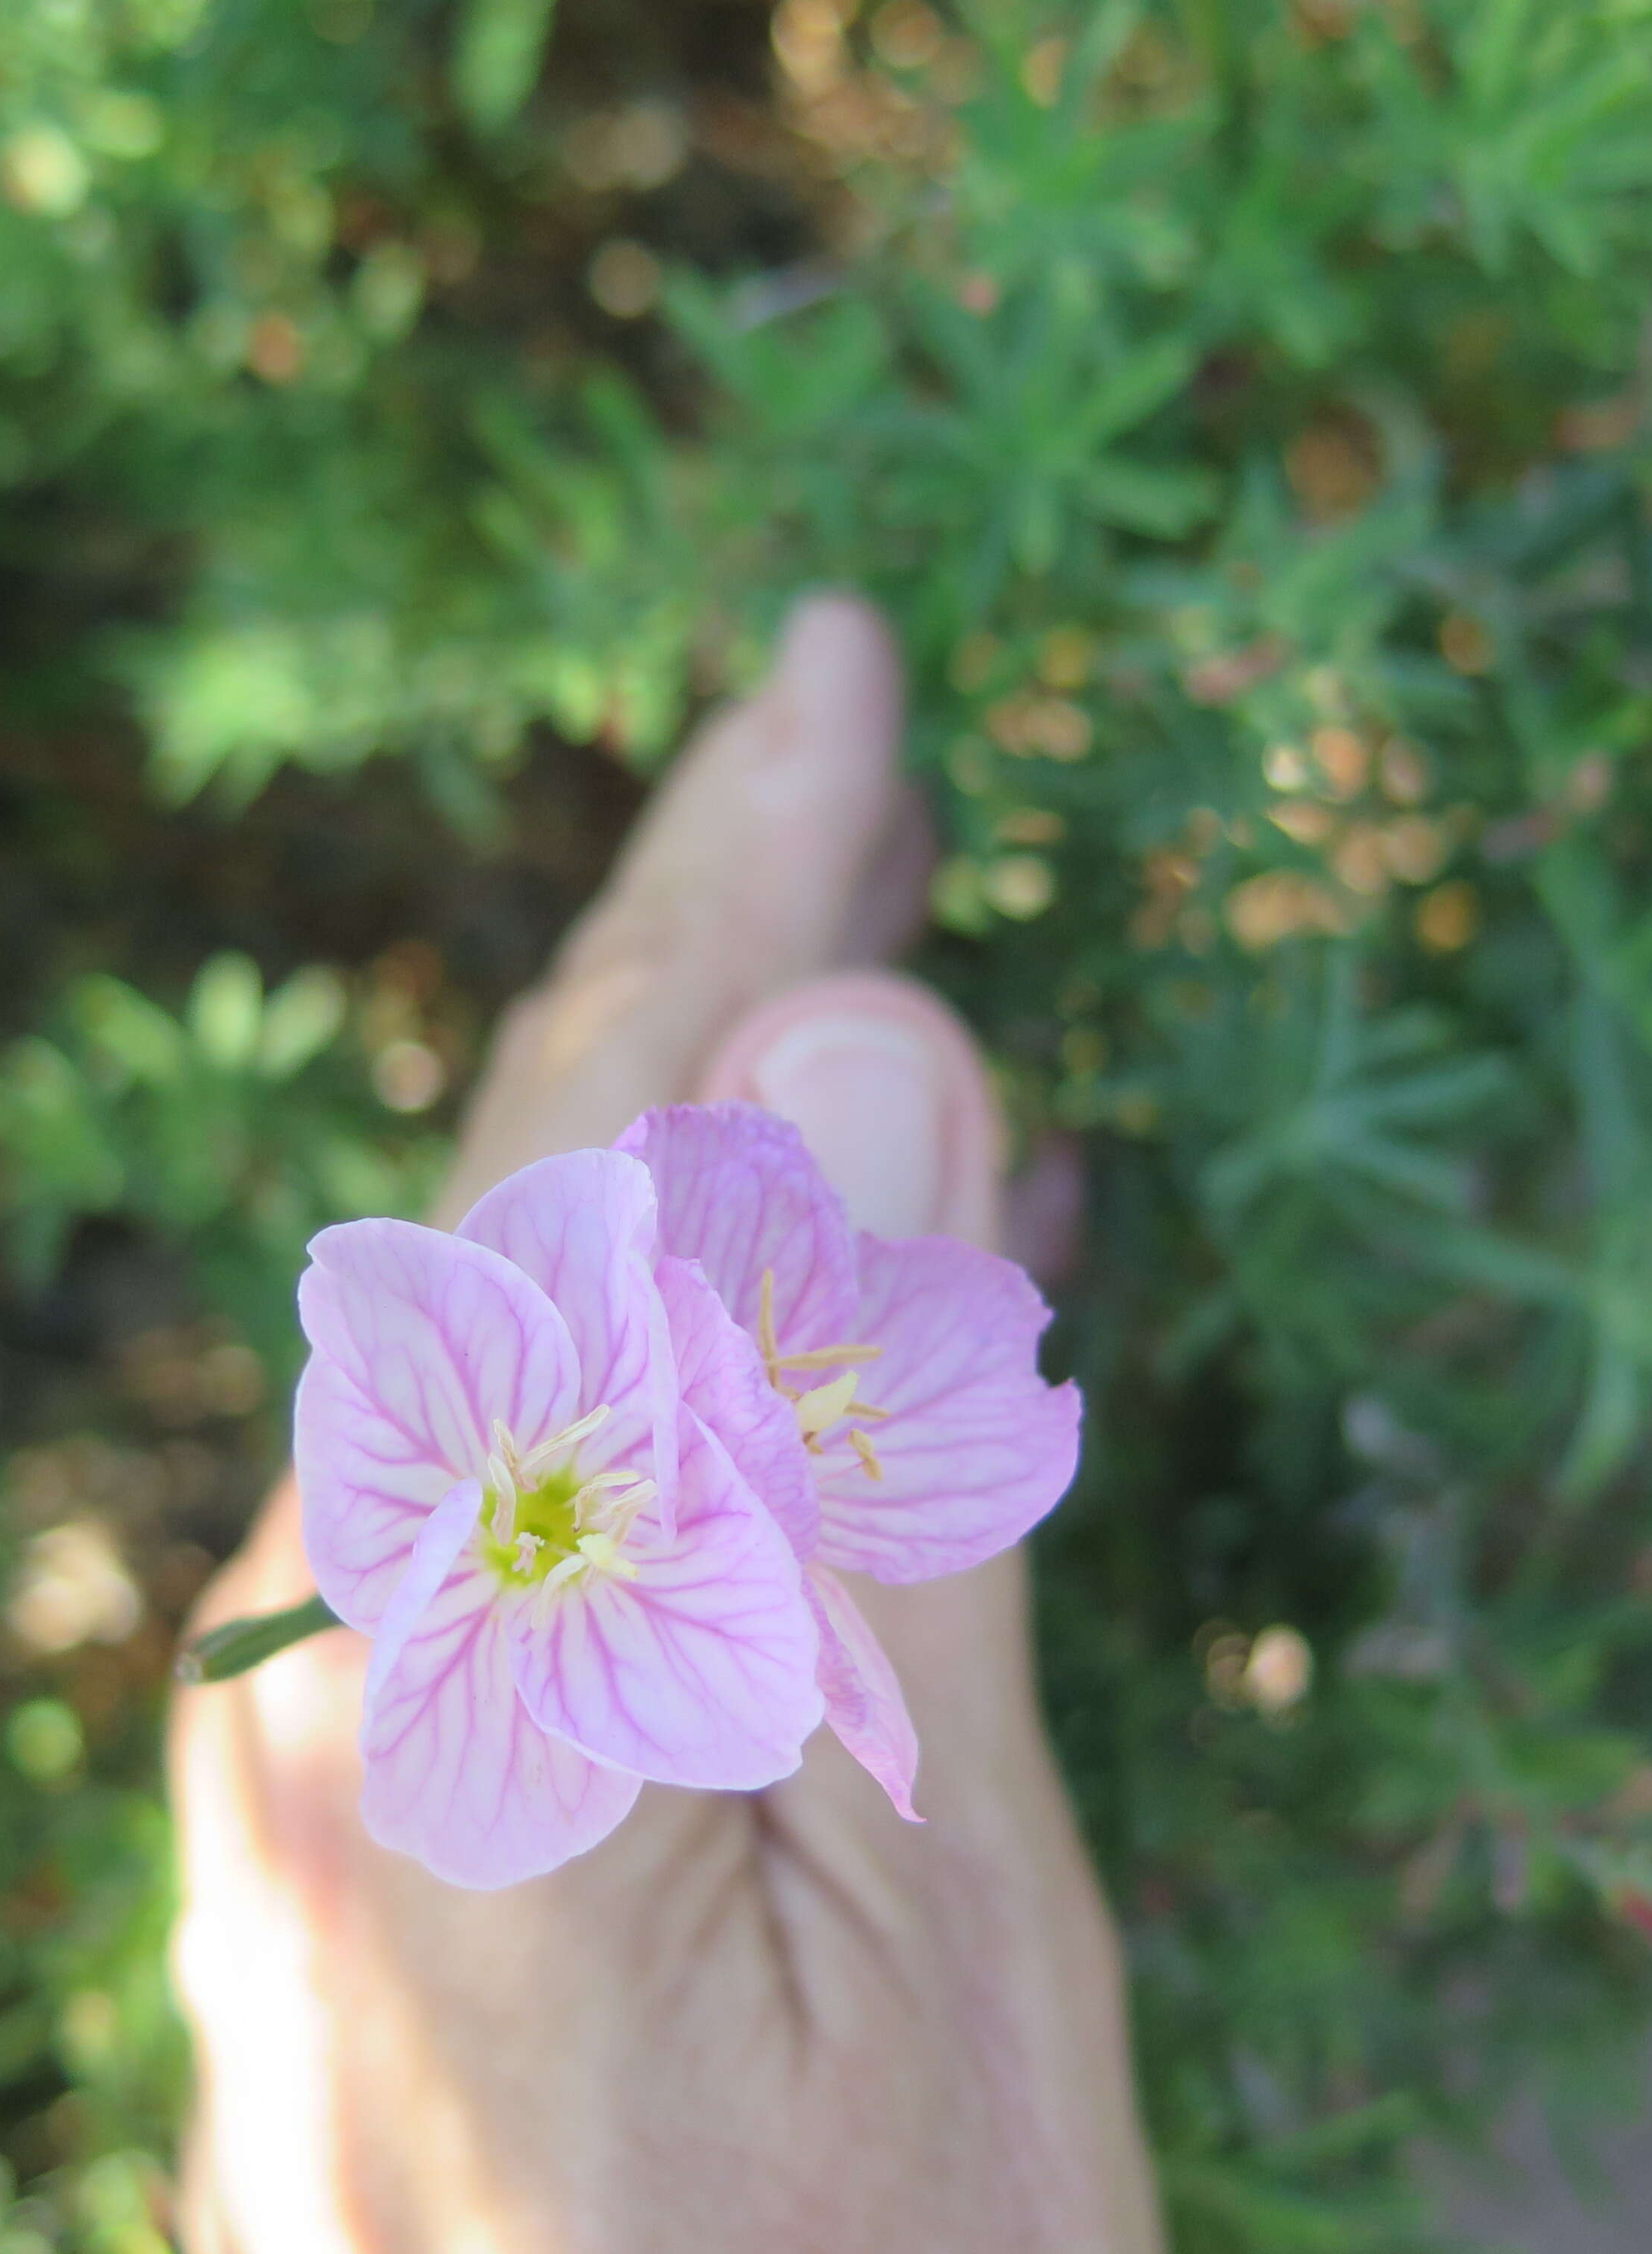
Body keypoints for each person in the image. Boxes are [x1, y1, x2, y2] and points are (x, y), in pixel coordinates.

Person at [167, 597, 1164, 2252]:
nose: (542, 1531)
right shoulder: (512, 1569)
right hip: (540, 1482)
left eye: (539, 1524)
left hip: (574, 1426)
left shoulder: (573, 1442)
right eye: (535, 1530)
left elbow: (644, 1248)